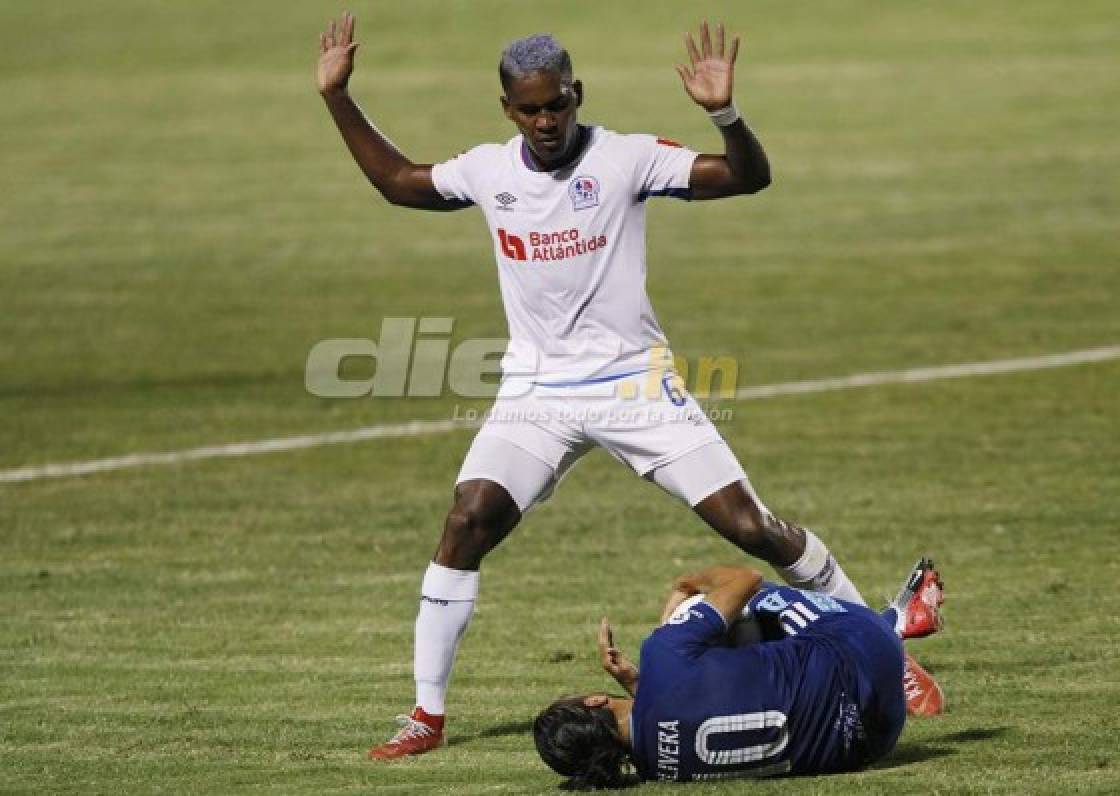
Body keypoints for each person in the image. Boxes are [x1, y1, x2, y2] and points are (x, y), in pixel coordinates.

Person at [316, 13, 941, 759]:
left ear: (577, 93)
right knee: (466, 519)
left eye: (557, 104)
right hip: (538, 395)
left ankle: (884, 643)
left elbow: (748, 176)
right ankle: (426, 714)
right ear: (508, 110)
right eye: (530, 108)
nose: (546, 120)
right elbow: (400, 183)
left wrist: (724, 114)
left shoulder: (626, 159)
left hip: (635, 388)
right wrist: (338, 98)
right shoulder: (489, 170)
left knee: (751, 531)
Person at [533, 558, 945, 787]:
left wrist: (636, 683)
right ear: (593, 701)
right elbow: (747, 578)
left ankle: (895, 632)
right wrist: (687, 583)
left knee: (729, 651)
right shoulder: (663, 655)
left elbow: (690, 713)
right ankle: (894, 625)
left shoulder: (657, 772)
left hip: (871, 742)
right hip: (862, 653)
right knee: (739, 602)